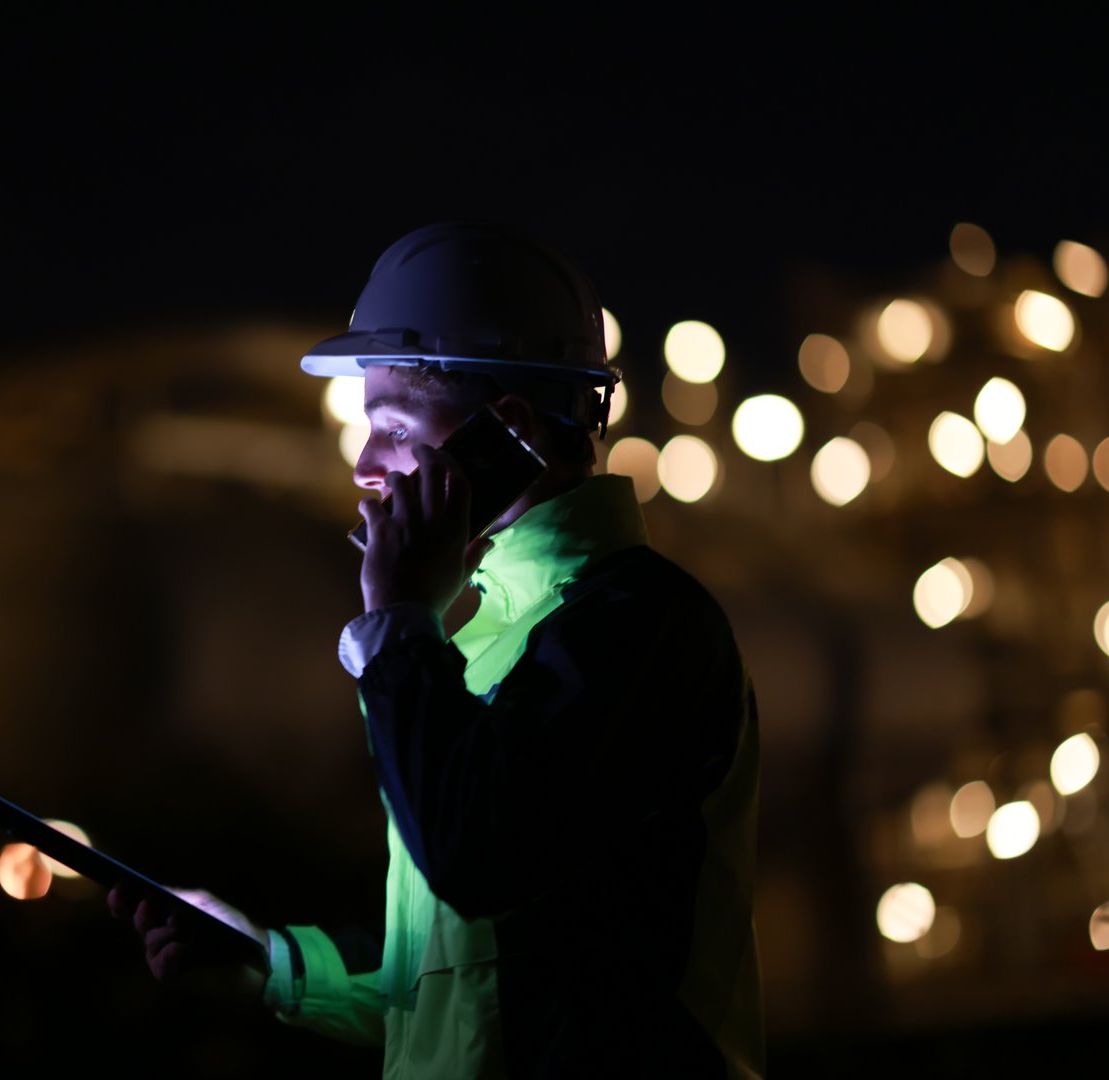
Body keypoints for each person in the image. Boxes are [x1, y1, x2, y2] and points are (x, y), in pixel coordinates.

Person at [111, 222, 764, 1077]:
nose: (365, 465)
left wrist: (397, 620)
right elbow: (456, 987)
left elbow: (478, 855)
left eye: (393, 427)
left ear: (509, 430)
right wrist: (265, 960)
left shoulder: (639, 628)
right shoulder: (492, 633)